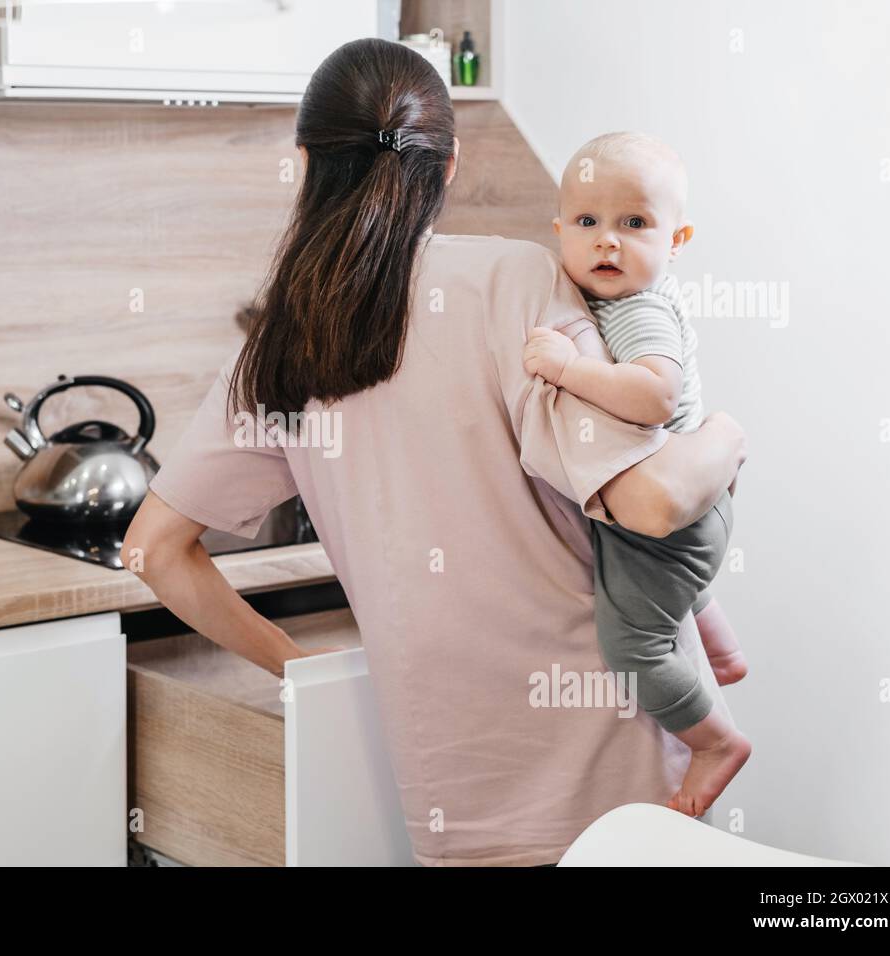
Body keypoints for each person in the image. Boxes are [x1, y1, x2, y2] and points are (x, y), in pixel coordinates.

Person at [123, 38, 746, 866]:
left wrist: (306, 676)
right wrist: (727, 436)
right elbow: (648, 503)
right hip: (612, 762)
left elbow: (152, 549)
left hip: (454, 789)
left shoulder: (283, 343)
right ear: (449, 164)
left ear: (305, 163)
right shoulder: (514, 281)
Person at [524, 131, 751, 816]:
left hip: (673, 521)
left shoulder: (639, 310)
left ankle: (716, 742)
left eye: (634, 224)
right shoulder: (614, 299)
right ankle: (722, 649)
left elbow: (653, 396)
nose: (608, 243)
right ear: (560, 229)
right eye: (588, 223)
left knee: (632, 643)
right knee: (653, 587)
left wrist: (567, 370)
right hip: (689, 513)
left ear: (675, 240)